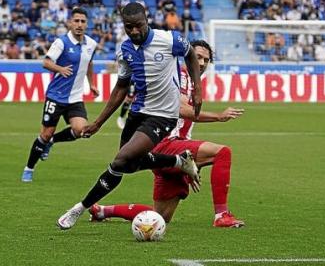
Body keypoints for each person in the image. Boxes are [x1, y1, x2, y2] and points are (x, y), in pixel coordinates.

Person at [56, 2, 203, 230]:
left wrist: (197, 89)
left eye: (138, 26)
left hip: (162, 116)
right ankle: (179, 161)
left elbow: (191, 55)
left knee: (120, 161)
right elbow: (121, 87)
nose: (134, 31)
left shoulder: (169, 39)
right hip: (137, 112)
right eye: (128, 27)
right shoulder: (124, 50)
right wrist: (98, 122)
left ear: (147, 20)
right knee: (129, 165)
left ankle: (80, 207)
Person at [88, 40, 245, 228]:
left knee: (158, 217)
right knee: (222, 153)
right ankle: (222, 215)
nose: (202, 63)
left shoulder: (190, 81)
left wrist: (193, 165)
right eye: (198, 57)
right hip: (166, 144)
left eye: (207, 60)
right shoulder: (181, 76)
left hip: (166, 151)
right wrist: (218, 116)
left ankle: (103, 211)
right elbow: (180, 109)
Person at [21, 7, 99, 182]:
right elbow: (46, 62)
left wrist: (91, 83)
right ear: (70, 23)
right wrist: (60, 69)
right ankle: (29, 168)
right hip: (56, 96)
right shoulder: (61, 42)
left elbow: (89, 63)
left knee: (81, 130)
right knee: (45, 133)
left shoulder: (91, 44)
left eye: (82, 21)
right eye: (76, 21)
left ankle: (52, 142)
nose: (79, 24)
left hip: (75, 98)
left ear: (87, 24)